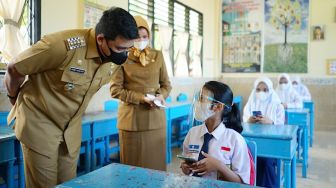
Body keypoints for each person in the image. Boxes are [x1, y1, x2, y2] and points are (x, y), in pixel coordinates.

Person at [4, 7, 138, 188]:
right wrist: (14, 98)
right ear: (101, 40)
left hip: (70, 131)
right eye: (120, 48)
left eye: (129, 49)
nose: (125, 54)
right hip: (40, 125)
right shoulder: (61, 46)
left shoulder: (114, 59)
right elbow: (14, 68)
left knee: (69, 184)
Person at [110, 15, 172, 171]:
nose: (141, 40)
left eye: (144, 36)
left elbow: (166, 85)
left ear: (149, 37)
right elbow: (115, 90)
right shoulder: (121, 56)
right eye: (137, 37)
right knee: (133, 167)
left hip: (155, 119)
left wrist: (160, 96)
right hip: (131, 121)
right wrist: (141, 98)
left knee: (155, 167)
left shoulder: (157, 55)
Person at [180, 81, 255, 185]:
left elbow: (242, 183)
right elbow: (186, 165)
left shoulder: (235, 140)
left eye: (202, 99)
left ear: (219, 107)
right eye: (198, 98)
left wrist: (219, 166)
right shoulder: (193, 133)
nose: (198, 103)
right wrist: (186, 168)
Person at [243, 77, 285, 187]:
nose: (261, 92)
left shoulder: (278, 106)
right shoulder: (250, 103)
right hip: (252, 141)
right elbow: (244, 123)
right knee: (245, 160)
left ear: (270, 90)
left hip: (271, 144)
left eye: (265, 90)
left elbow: (282, 128)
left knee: (265, 162)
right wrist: (249, 121)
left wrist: (271, 122)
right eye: (258, 89)